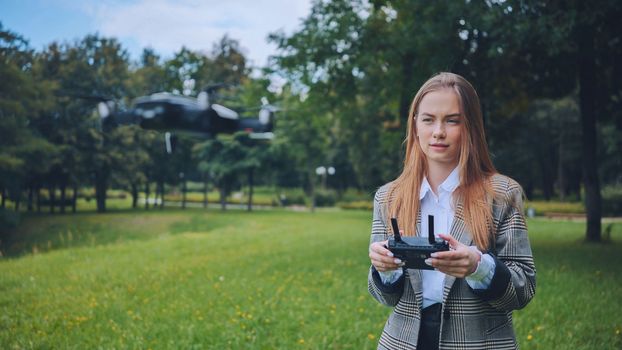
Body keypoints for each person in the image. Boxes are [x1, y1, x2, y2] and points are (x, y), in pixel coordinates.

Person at [367, 72, 536, 350]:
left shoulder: (502, 194)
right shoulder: (389, 197)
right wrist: (384, 269)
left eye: (452, 120)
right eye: (428, 119)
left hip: (479, 342)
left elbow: (523, 290)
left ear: (470, 126)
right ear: (415, 125)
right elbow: (384, 297)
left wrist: (478, 267)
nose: (438, 132)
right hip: (404, 342)